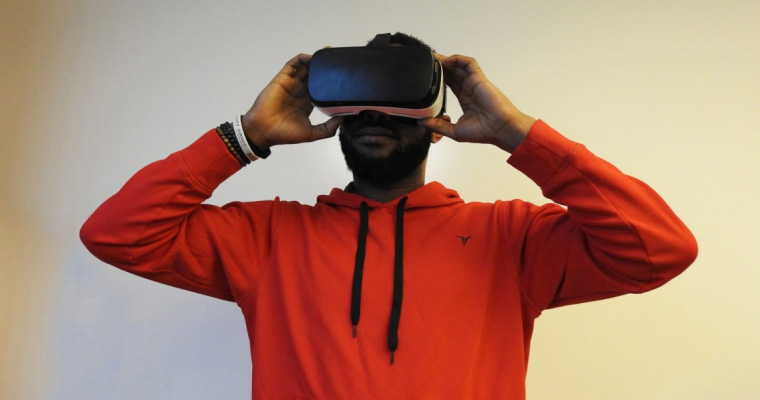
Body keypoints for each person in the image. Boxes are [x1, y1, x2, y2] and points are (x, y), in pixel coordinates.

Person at [80, 33, 698, 399]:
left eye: (395, 105)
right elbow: (115, 233)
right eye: (360, 104)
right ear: (337, 117)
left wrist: (517, 134)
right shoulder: (267, 237)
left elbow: (660, 248)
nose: (375, 116)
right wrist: (246, 135)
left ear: (434, 127)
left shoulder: (511, 239)